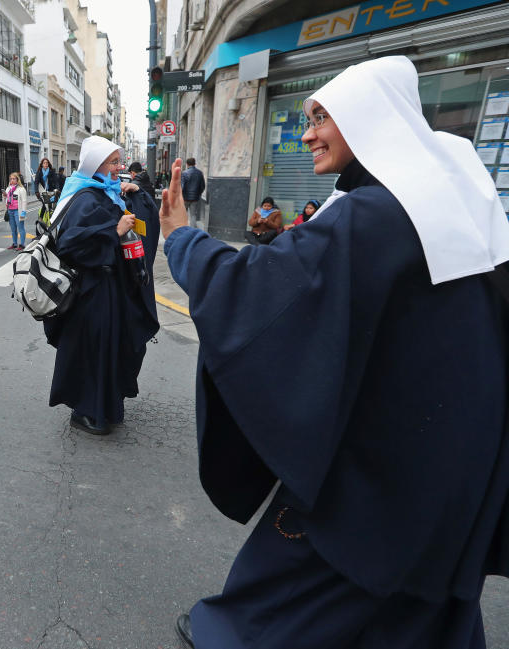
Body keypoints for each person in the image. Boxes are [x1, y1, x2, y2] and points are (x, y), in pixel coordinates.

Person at [158, 56, 509, 649]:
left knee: (312, 555)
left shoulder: (378, 215)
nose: (308, 133)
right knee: (424, 587)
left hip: (387, 456)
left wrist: (182, 240)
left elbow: (257, 293)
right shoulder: (455, 200)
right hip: (461, 452)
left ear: (370, 121)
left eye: (323, 117)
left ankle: (237, 634)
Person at [44, 136, 160, 435]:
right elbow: (71, 244)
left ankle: (105, 407)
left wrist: (136, 195)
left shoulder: (109, 192)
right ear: (96, 165)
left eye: (119, 161)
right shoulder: (85, 196)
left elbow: (142, 221)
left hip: (110, 291)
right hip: (91, 293)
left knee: (110, 349)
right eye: (113, 162)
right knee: (93, 351)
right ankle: (86, 411)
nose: (119, 167)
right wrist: (113, 230)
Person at [4, 172, 28, 250]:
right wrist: (4, 196)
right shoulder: (8, 189)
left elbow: (24, 201)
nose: (12, 180)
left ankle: (22, 244)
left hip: (18, 211)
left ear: (17, 180)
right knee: (13, 229)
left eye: (14, 178)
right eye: (11, 179)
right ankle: (14, 243)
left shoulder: (21, 189)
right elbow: (6, 200)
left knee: (20, 228)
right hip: (10, 211)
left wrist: (23, 211)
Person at [180, 157, 205, 228]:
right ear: (195, 163)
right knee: (193, 215)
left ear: (187, 164)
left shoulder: (184, 173)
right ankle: (192, 230)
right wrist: (198, 194)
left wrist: (181, 196)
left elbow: (182, 186)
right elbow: (202, 186)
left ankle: (183, 228)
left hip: (185, 197)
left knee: (183, 214)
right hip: (195, 198)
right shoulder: (200, 173)